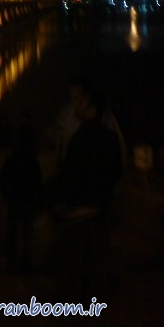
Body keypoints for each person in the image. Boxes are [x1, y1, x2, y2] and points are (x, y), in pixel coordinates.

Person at [50, 88, 122, 301]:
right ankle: (95, 302)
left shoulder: (81, 138)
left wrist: (63, 201)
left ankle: (72, 304)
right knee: (97, 262)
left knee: (73, 264)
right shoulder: (110, 138)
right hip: (100, 208)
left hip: (78, 210)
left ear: (92, 108)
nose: (76, 107)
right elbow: (115, 171)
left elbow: (70, 173)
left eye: (81, 103)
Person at [0, 111, 43, 274]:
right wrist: (39, 199)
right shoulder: (33, 161)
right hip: (28, 200)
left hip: (15, 200)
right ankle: (26, 261)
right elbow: (38, 182)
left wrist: (7, 195)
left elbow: (3, 180)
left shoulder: (11, 160)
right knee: (27, 233)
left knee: (12, 231)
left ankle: (11, 261)